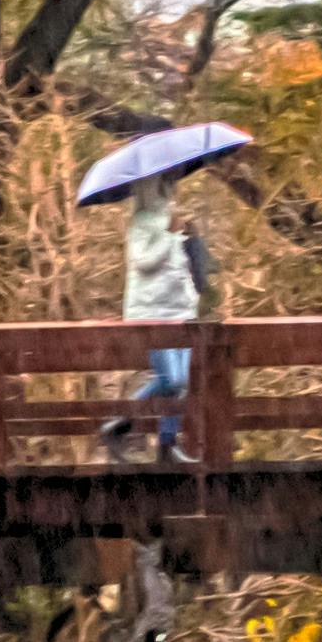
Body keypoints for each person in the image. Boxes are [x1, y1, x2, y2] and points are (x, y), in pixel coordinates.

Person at [110, 173, 210, 463]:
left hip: (179, 311)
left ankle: (168, 444)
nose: (166, 188)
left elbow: (182, 269)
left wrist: (191, 237)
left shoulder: (170, 218)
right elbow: (143, 261)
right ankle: (120, 424)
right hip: (150, 311)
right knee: (172, 378)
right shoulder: (141, 221)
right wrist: (168, 235)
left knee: (182, 383)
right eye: (160, 183)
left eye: (168, 182)